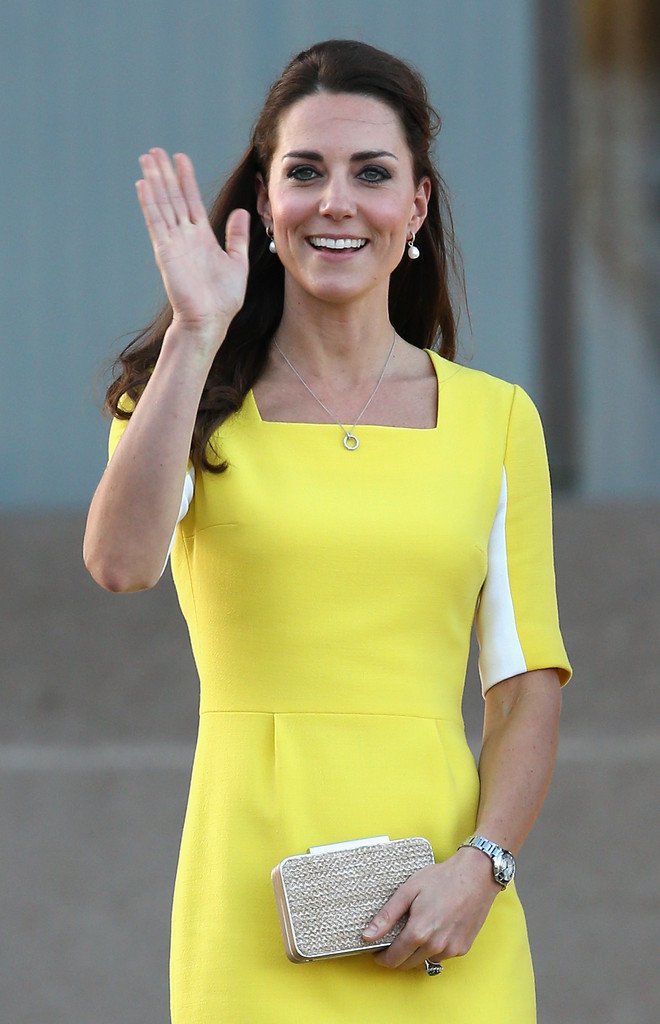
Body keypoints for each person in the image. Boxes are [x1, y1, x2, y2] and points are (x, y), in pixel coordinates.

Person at [83, 38, 571, 1023]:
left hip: (444, 917)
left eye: (372, 172)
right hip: (247, 910)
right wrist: (193, 333)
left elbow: (525, 687)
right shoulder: (188, 398)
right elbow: (120, 563)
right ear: (265, 205)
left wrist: (483, 868)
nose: (336, 200)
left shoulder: (498, 420)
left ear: (419, 206)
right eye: (304, 171)